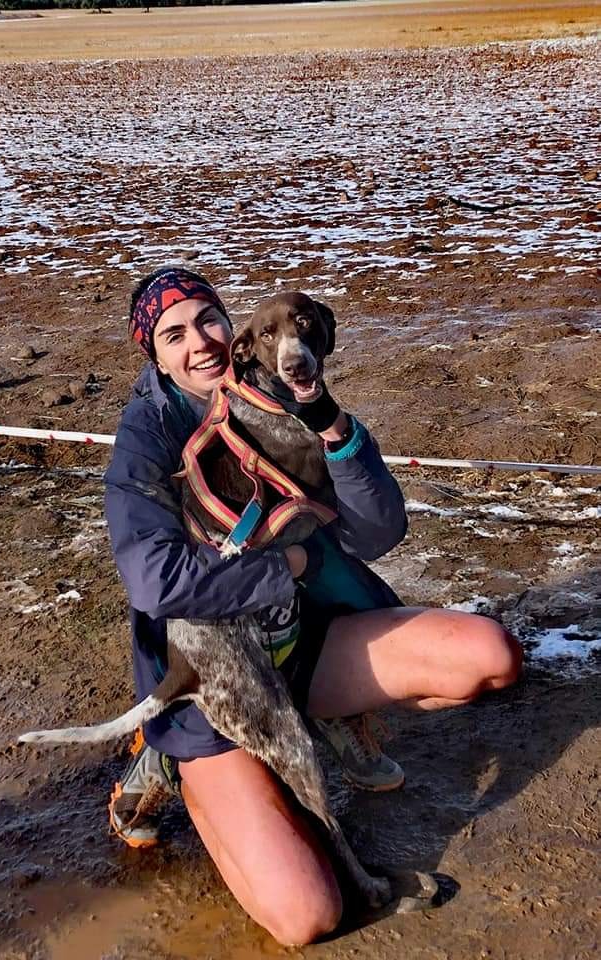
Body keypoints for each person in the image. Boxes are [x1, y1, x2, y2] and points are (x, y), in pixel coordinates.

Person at [104, 267, 523, 946]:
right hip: (214, 687)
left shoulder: (280, 396)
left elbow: (377, 532)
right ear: (153, 355)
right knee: (307, 916)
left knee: (490, 657)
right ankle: (168, 760)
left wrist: (332, 426)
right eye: (173, 335)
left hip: (303, 646)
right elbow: (155, 582)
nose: (199, 344)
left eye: (207, 320)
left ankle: (321, 720)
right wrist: (284, 567)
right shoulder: (148, 436)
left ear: (232, 332)